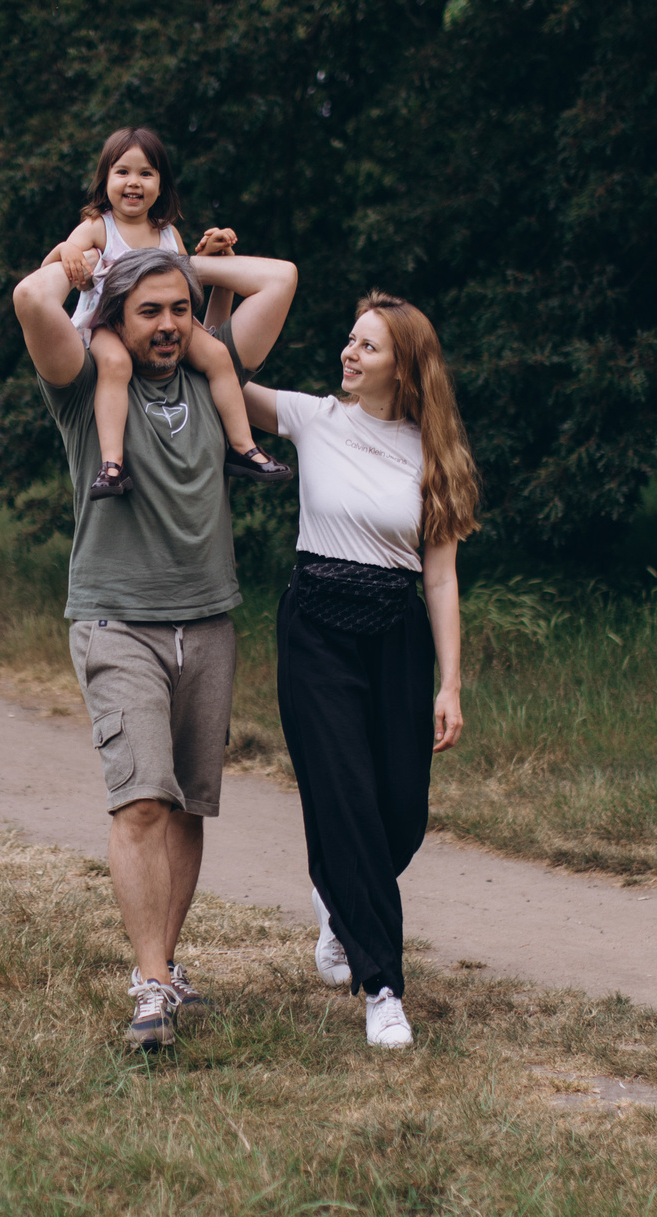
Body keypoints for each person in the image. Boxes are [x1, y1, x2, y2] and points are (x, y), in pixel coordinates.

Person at [12, 235, 300, 1050]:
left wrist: (188, 267)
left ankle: (164, 968)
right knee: (142, 796)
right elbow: (31, 302)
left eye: (180, 309)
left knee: (185, 803)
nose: (169, 323)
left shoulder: (215, 372)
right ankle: (148, 986)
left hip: (208, 619)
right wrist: (82, 258)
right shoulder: (83, 385)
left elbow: (279, 277)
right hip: (116, 619)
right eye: (149, 310)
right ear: (115, 317)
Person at [241, 292, 480, 1049]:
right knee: (345, 796)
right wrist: (204, 276)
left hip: (396, 634)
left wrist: (450, 683)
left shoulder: (434, 454)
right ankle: (383, 988)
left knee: (400, 811)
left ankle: (336, 892)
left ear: (403, 366)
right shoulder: (314, 418)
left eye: (367, 345)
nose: (348, 352)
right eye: (350, 340)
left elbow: (440, 577)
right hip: (316, 627)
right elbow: (219, 370)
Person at [45, 127, 291, 500]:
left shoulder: (166, 233)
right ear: (105, 181)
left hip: (161, 323)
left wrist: (209, 254)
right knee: (115, 365)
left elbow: (183, 287)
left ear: (161, 186)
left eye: (146, 173)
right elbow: (47, 273)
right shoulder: (97, 227)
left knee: (218, 355)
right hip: (107, 323)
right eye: (122, 172)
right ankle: (112, 464)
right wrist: (65, 249)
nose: (134, 182)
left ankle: (243, 446)